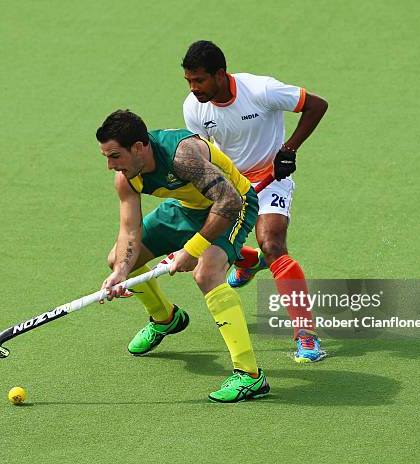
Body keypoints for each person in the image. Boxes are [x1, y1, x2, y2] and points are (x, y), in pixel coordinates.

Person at [96, 109, 270, 403]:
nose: (111, 165)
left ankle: (250, 377)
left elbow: (229, 200)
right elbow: (130, 231)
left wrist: (192, 250)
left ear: (138, 147)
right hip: (185, 209)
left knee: (207, 273)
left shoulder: (183, 156)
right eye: (107, 158)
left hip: (233, 206)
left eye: (115, 156)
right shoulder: (126, 178)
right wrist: (121, 272)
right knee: (118, 258)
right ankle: (166, 319)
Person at [182, 40, 329, 362]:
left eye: (200, 80)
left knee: (273, 244)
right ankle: (247, 260)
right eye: (189, 81)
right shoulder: (194, 107)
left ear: (220, 74)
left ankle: (306, 335)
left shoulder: (261, 90)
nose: (194, 88)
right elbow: (203, 153)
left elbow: (317, 105)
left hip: (271, 178)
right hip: (228, 185)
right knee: (193, 238)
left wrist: (288, 149)